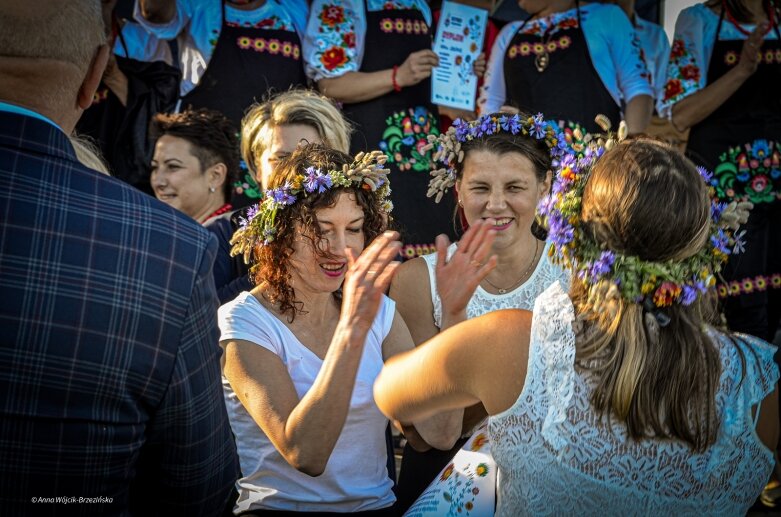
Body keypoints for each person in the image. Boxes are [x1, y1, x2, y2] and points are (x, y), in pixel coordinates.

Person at [374, 137, 778, 514]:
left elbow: (389, 393)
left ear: (575, 235)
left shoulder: (511, 341)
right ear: (702, 243)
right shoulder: (760, 382)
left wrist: (450, 321)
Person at [0, 1, 238, 514]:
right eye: (158, 166)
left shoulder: (197, 242)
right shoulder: (171, 249)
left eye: (173, 166)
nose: (160, 179)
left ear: (215, 175)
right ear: (93, 79)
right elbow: (198, 489)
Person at [219, 143, 463, 514]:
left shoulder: (379, 311)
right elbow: (306, 454)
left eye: (354, 229)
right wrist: (351, 329)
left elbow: (439, 434)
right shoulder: (246, 320)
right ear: (282, 232)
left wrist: (453, 317)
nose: (339, 248)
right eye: (321, 229)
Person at [388, 112, 570, 511]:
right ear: (458, 191)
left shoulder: (575, 277)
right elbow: (434, 432)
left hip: (550, 480)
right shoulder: (417, 281)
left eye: (515, 187)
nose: (496, 204)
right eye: (480, 187)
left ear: (545, 188)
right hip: (446, 477)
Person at [661, 0, 780, 343]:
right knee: (742, 312)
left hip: (777, 196)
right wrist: (742, 69)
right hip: (728, 196)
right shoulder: (697, 21)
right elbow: (680, 114)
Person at [304, 0, 458, 259]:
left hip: (427, 165)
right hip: (372, 158)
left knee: (437, 256)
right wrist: (397, 76)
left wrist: (458, 73)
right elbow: (331, 84)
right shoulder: (341, 4)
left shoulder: (418, 5)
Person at [205, 89, 352, 303]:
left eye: (313, 157)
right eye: (281, 158)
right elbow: (204, 321)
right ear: (257, 168)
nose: (297, 170)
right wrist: (279, 264)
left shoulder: (365, 233)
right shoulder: (218, 235)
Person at [478, 0, 654, 135]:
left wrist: (628, 152)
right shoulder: (508, 33)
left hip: (593, 164)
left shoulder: (606, 18)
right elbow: (490, 104)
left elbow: (638, 89)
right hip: (527, 166)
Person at [134, 0, 309, 128]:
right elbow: (153, 13)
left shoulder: (294, 7)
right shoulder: (199, 5)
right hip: (204, 142)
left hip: (275, 147)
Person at [75, 0, 180, 195]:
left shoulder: (145, 41)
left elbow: (157, 113)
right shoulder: (64, 38)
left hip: (127, 178)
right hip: (76, 161)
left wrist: (114, 76)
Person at [149, 108, 241, 224]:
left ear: (215, 176)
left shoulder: (236, 239)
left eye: (173, 166)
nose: (158, 182)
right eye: (154, 167)